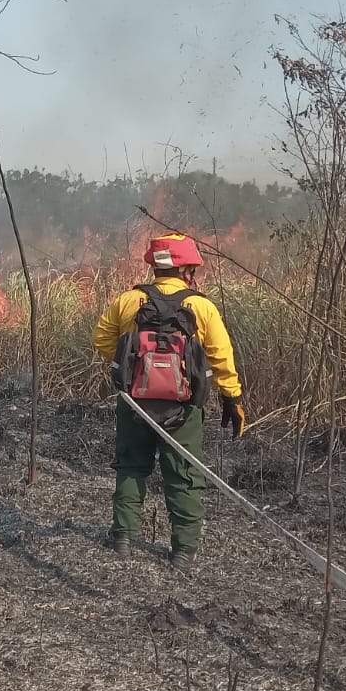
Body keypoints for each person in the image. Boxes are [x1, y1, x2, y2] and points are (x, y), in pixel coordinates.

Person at [92, 232, 245, 570]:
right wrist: (232, 398)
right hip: (184, 408)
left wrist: (130, 369)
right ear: (187, 269)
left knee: (131, 467)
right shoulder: (201, 306)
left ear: (156, 267)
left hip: (135, 403)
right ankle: (183, 552)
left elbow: (101, 338)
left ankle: (123, 540)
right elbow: (221, 358)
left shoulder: (128, 301)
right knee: (185, 475)